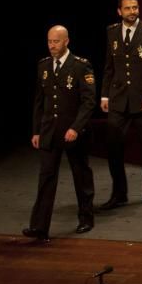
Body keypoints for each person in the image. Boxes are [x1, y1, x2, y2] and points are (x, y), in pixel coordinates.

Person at [24, 26, 96, 241]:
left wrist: (76, 127)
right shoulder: (44, 66)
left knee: (80, 174)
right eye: (49, 41)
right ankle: (39, 226)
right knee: (46, 177)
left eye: (56, 41)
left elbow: (88, 102)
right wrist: (36, 130)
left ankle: (86, 217)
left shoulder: (80, 66)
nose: (52, 45)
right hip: (49, 131)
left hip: (72, 131)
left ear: (66, 41)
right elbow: (39, 101)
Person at [97, 0, 142, 209]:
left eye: (135, 8)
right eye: (127, 8)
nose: (132, 12)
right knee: (114, 145)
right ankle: (119, 193)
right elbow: (109, 66)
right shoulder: (112, 32)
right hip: (118, 99)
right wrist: (105, 94)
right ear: (119, 11)